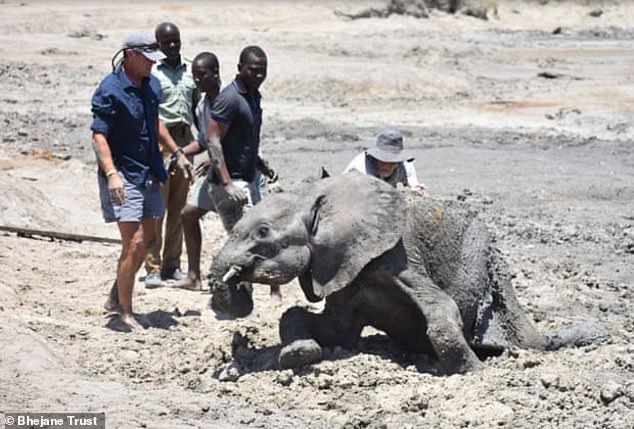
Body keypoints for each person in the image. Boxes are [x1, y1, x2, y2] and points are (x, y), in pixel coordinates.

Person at [90, 31, 192, 332]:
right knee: (133, 243)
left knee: (146, 242)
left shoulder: (152, 84)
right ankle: (125, 313)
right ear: (130, 56)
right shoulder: (110, 90)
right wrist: (111, 175)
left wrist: (178, 152)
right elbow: (99, 135)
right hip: (124, 175)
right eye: (148, 60)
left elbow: (155, 122)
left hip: (150, 173)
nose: (152, 65)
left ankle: (116, 293)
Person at [170, 46, 280, 301]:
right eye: (253, 70)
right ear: (239, 68)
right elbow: (212, 140)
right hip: (229, 181)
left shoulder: (253, 95)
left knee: (256, 233)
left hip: (243, 174)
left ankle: (271, 286)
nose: (258, 75)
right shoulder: (229, 98)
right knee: (243, 236)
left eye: (262, 71)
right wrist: (228, 183)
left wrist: (260, 163)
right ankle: (201, 280)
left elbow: (246, 139)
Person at [144, 22, 200, 288]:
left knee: (180, 207)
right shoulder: (152, 73)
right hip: (159, 144)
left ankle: (172, 265)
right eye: (167, 42)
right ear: (157, 43)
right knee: (157, 207)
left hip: (186, 142)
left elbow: (199, 107)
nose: (173, 46)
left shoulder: (191, 71)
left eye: (176, 40)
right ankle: (152, 267)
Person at [344, 128, 427, 194]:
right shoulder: (362, 170)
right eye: (383, 160)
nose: (387, 166)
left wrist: (417, 190)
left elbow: (417, 188)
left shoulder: (405, 165)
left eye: (392, 162)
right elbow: (371, 200)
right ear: (376, 157)